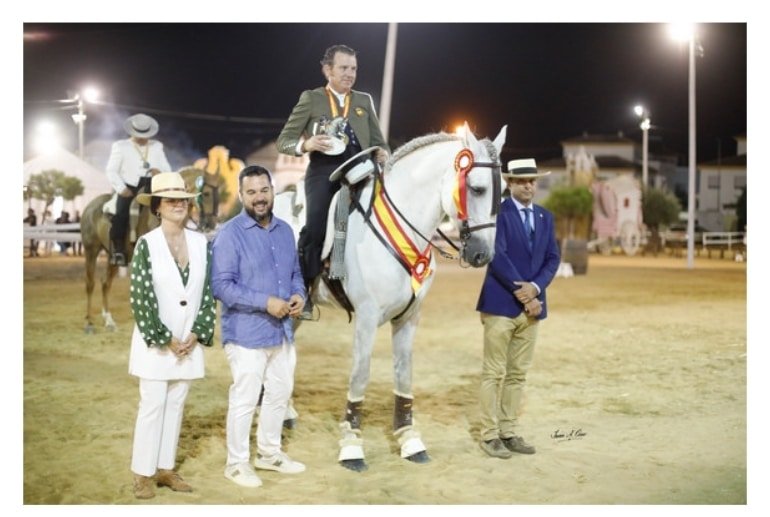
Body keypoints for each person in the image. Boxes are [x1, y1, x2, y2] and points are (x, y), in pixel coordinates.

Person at [276, 44, 390, 319]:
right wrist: (307, 144)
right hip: (323, 172)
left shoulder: (364, 101)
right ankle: (303, 290)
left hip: (361, 172)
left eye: (353, 69)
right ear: (328, 70)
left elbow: (378, 142)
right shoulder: (311, 98)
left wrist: (383, 152)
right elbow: (284, 141)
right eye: (343, 68)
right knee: (315, 226)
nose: (350, 74)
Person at [211, 165, 307, 488]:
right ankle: (236, 464)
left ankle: (269, 453)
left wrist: (298, 295)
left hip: (281, 332)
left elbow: (295, 273)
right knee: (245, 398)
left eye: (264, 190)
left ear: (272, 191)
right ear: (241, 196)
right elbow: (222, 287)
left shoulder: (284, 231)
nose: (259, 198)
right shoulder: (229, 234)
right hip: (246, 333)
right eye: (251, 192)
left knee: (279, 393)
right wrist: (265, 302)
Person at [127, 172, 216, 499]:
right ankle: (142, 472)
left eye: (182, 199)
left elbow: (207, 293)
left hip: (188, 343)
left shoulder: (201, 243)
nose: (178, 205)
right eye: (170, 200)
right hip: (157, 344)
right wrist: (165, 337)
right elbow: (140, 298)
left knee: (176, 404)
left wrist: (196, 333)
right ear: (158, 208)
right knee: (152, 404)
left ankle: (165, 468)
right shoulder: (146, 245)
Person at [475, 158, 561, 459]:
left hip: (532, 309)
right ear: (510, 183)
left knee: (517, 376)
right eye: (522, 181)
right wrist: (524, 292)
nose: (529, 185)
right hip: (501, 305)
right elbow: (495, 256)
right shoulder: (495, 213)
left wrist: (536, 289)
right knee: (493, 373)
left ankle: (508, 431)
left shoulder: (545, 216)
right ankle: (488, 435)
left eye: (532, 181)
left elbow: (553, 258)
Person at [105, 113, 172, 267]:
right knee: (121, 213)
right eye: (140, 134)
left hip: (152, 186)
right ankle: (119, 250)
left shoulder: (157, 146)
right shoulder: (120, 146)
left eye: (146, 135)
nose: (143, 138)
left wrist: (160, 172)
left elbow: (167, 168)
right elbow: (111, 170)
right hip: (129, 187)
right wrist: (121, 189)